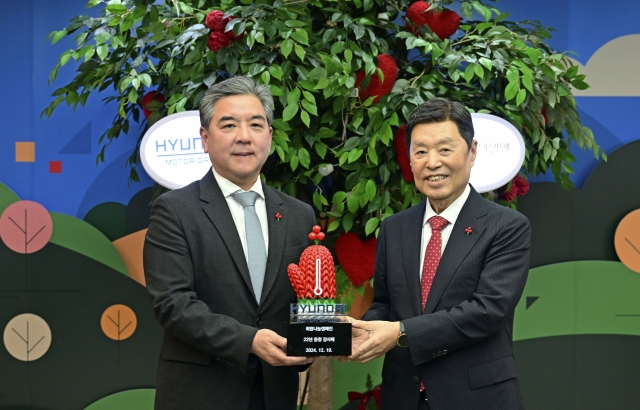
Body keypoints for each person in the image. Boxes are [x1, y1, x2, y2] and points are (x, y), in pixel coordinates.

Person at [144, 76, 315, 410]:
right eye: (229, 125)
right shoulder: (175, 211)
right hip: (202, 394)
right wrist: (249, 340)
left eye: (255, 124)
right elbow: (173, 304)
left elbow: (306, 297)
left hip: (275, 393)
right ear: (205, 138)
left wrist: (314, 340)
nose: (244, 137)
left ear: (269, 135)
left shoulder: (299, 214)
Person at [349, 98, 531, 410]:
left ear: (472, 152)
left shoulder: (507, 226)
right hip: (403, 397)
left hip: (477, 397)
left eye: (445, 149)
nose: (432, 162)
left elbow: (487, 311)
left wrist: (400, 332)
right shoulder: (394, 228)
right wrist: (360, 332)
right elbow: (385, 304)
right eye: (420, 151)